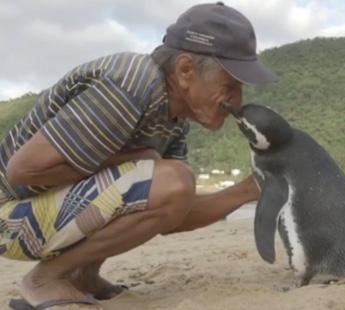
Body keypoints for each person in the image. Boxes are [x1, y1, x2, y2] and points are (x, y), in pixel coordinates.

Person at [0, 2, 277, 309]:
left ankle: (83, 275)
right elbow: (22, 171)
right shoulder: (130, 83)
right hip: (9, 217)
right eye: (230, 85)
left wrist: (248, 190)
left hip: (40, 213)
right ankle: (45, 279)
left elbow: (170, 212)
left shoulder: (173, 119)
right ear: (186, 71)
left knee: (170, 180)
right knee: (169, 176)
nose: (237, 101)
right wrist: (134, 161)